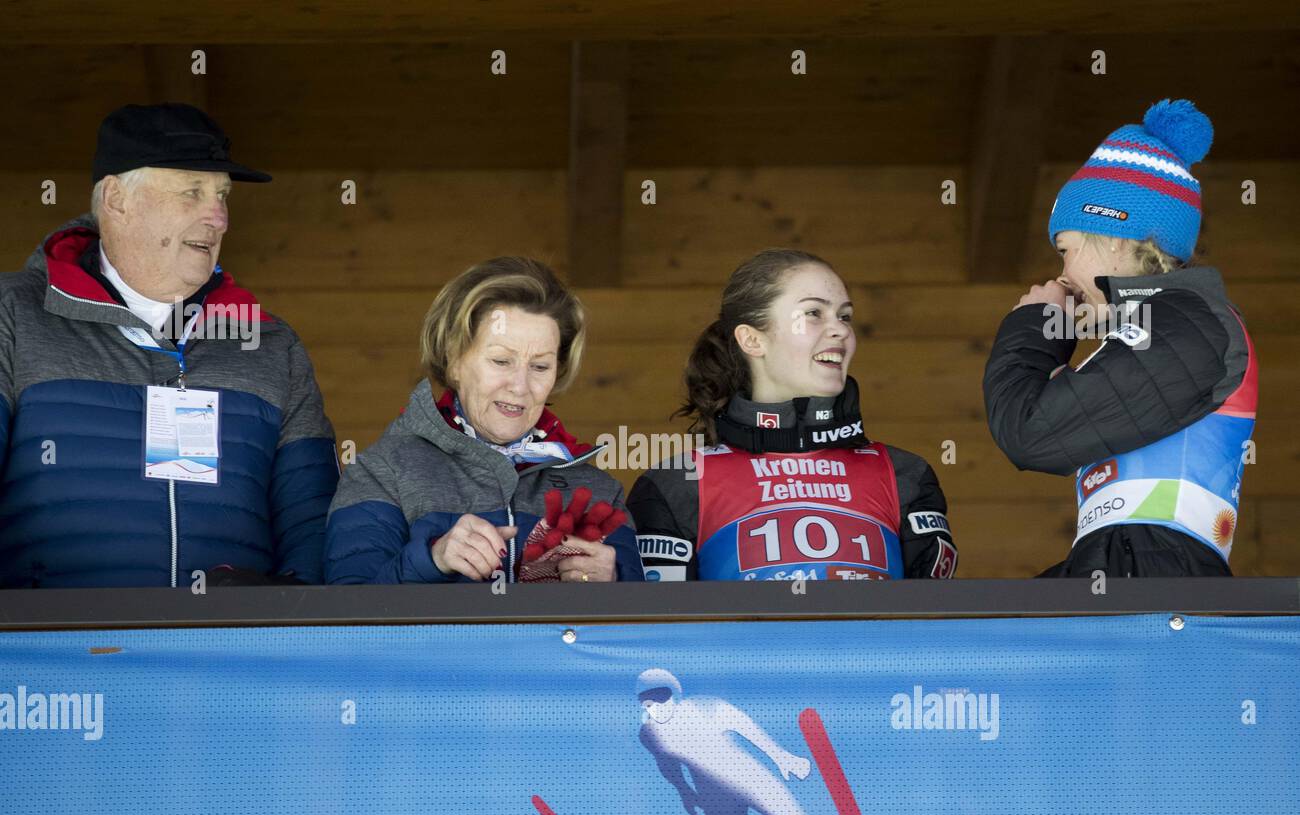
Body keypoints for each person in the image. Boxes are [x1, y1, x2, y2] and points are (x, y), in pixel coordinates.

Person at [0, 103, 338, 587]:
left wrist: (283, 619)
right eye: (192, 192)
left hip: (225, 653)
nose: (218, 217)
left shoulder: (268, 343)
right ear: (117, 199)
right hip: (52, 652)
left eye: (222, 195)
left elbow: (313, 525)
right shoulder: (13, 314)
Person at [983, 99, 1257, 577]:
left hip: (1150, 581)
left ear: (1110, 234)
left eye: (1065, 250)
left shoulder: (1189, 321)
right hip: (1134, 569)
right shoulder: (1156, 327)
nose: (1063, 273)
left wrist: (1035, 324)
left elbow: (1028, 432)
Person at [627, 248, 957, 581]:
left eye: (844, 316)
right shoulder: (678, 483)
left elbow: (932, 623)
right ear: (753, 339)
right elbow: (667, 628)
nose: (840, 330)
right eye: (814, 313)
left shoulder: (904, 474)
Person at [325, 257, 643, 584]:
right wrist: (431, 560)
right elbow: (346, 616)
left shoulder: (598, 492)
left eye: (540, 366)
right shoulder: (383, 472)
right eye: (501, 360)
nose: (520, 386)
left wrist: (614, 582)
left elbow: (643, 627)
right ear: (453, 362)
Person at [637, 669, 876, 815]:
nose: (655, 708)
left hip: (748, 778)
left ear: (674, 695)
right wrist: (684, 792)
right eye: (648, 704)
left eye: (660, 699)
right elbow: (667, 764)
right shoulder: (649, 733)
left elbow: (745, 727)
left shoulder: (704, 707)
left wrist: (781, 756)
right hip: (714, 798)